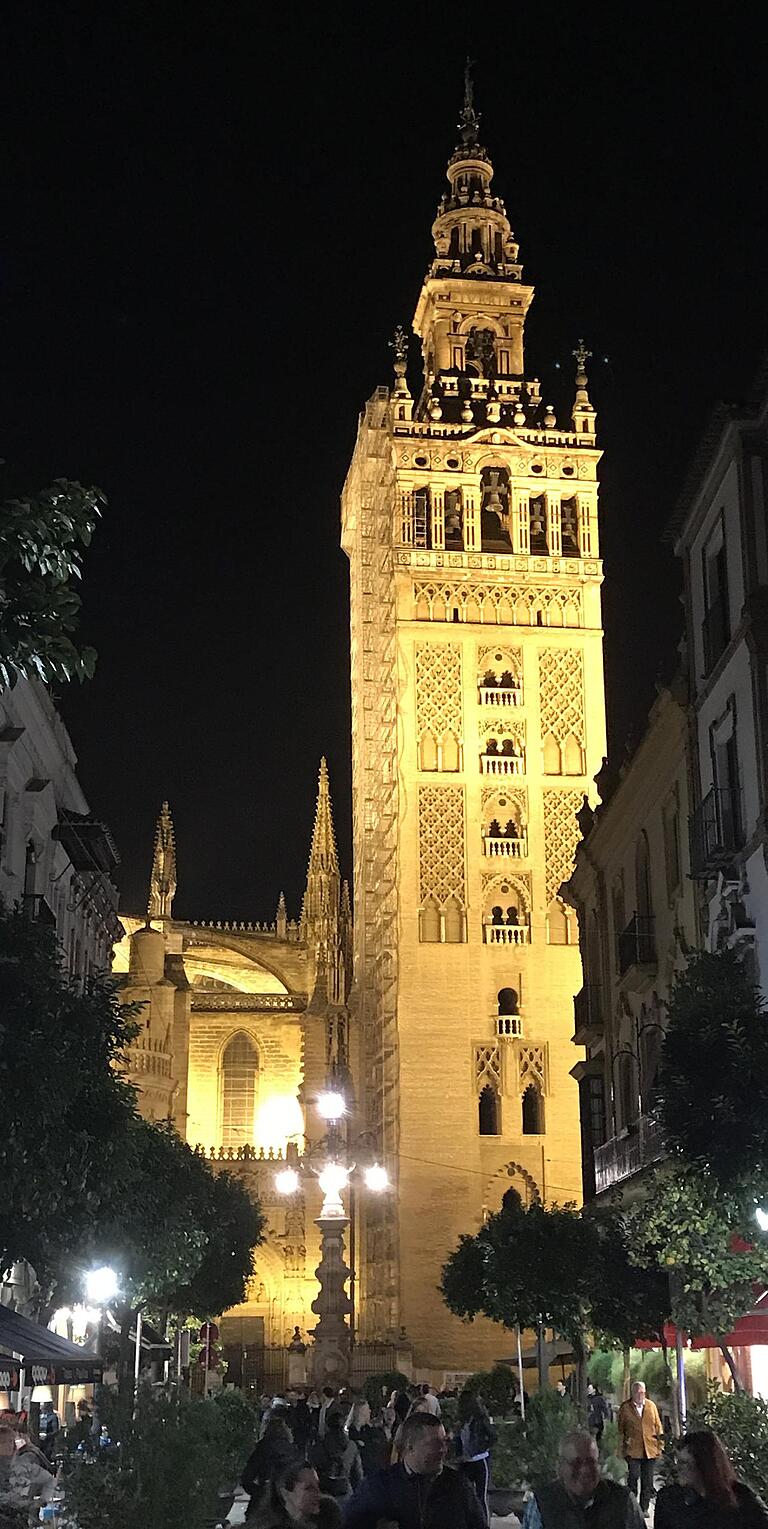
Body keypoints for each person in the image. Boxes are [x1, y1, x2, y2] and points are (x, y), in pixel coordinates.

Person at [343, 1411, 485, 1529]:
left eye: (445, 1441)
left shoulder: (458, 1485)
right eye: (435, 1443)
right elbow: (348, 1524)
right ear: (410, 1447)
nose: (443, 1449)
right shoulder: (378, 1487)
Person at [522, 1430, 645, 1529]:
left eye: (591, 1462)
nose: (585, 1470)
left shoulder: (623, 1501)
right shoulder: (542, 1503)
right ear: (560, 1467)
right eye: (576, 1463)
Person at [655, 1430, 768, 1528]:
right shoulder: (668, 1499)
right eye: (678, 1461)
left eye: (684, 1463)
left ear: (704, 1465)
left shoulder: (741, 1498)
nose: (677, 1468)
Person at [248, 1460, 342, 1529]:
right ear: (285, 1494)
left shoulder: (328, 1517)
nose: (318, 1493)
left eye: (318, 1486)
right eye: (309, 1488)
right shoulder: (268, 1525)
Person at [617, 1381, 663, 1516]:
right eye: (638, 1392)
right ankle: (632, 1506)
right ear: (633, 1393)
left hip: (650, 1448)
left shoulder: (651, 1406)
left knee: (647, 1480)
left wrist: (660, 1445)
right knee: (633, 1477)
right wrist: (621, 1448)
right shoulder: (625, 1408)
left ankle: (644, 1508)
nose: (640, 1395)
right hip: (632, 1449)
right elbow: (620, 1429)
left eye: (642, 1392)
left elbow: (658, 1426)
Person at [243, 1416, 297, 1518]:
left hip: (264, 1497)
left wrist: (257, 1492)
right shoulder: (291, 1450)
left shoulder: (262, 1449)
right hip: (285, 1500)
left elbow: (247, 1477)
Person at [458, 1397, 496, 1527]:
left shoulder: (479, 1420)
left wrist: (483, 1447)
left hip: (480, 1459)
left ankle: (484, 1523)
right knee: (464, 1493)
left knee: (481, 1495)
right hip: (466, 1460)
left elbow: (492, 1436)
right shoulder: (464, 1421)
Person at [310, 1415, 362, 1500]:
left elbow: (314, 1464)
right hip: (344, 1487)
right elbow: (357, 1473)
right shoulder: (352, 1446)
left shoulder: (322, 1444)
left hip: (325, 1489)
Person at [346, 1400, 389, 1477]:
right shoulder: (351, 1432)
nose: (370, 1411)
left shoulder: (369, 1430)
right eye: (367, 1409)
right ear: (361, 1412)